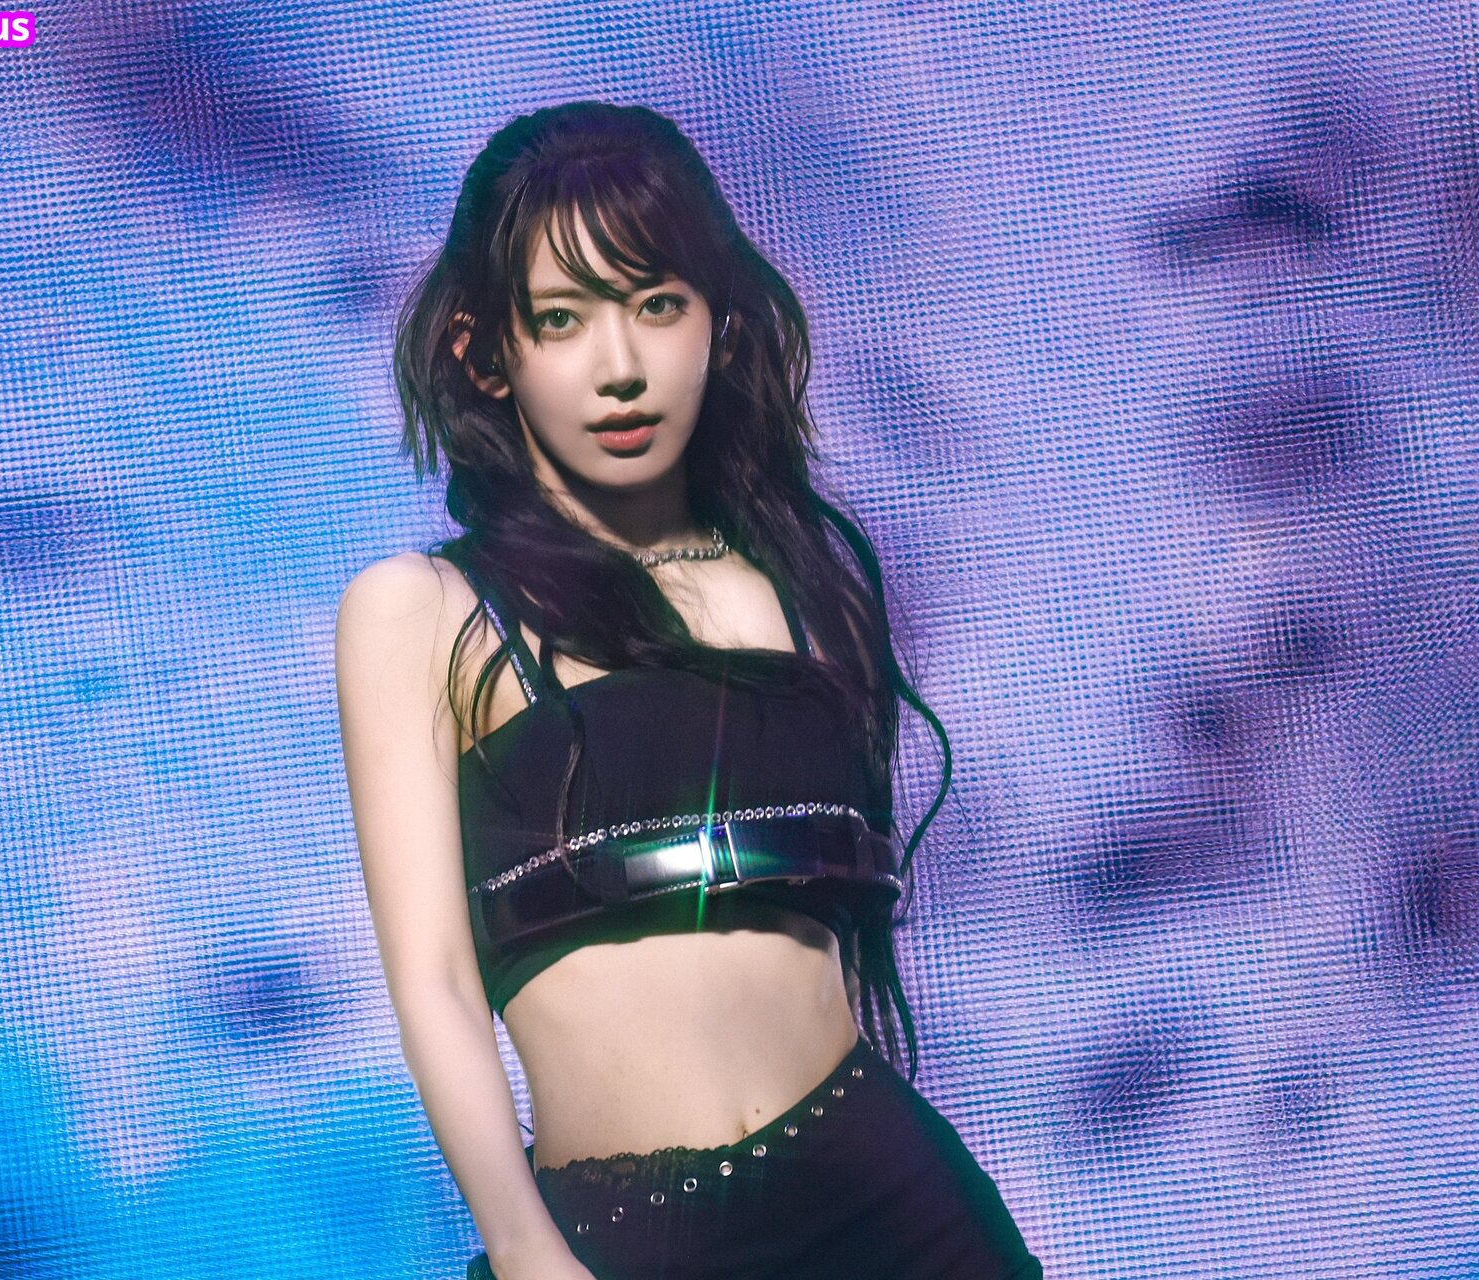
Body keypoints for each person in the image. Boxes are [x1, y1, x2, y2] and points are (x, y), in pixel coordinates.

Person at [336, 101, 1042, 1280]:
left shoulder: (798, 585)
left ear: (719, 321)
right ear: (484, 350)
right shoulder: (422, 612)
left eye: (657, 305)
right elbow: (436, 982)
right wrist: (522, 1243)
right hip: (623, 1240)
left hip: (889, 1201)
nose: (620, 368)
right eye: (562, 319)